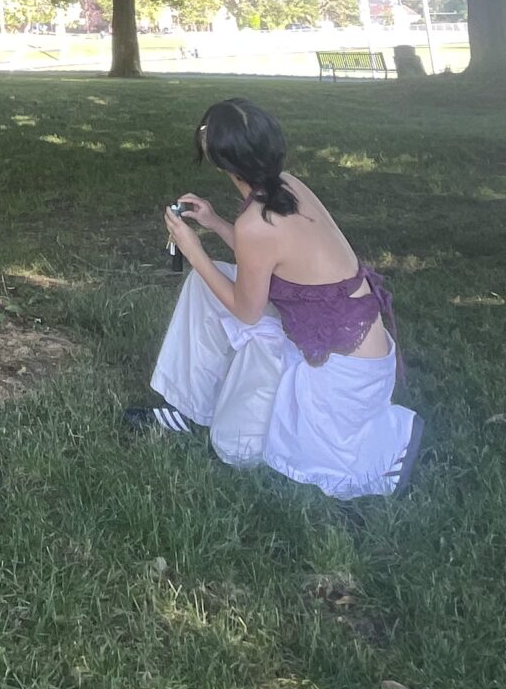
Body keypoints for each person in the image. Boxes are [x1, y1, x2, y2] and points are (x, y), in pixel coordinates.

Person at [128, 99, 421, 499]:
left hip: (341, 381)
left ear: (222, 163)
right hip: (352, 352)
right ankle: (186, 408)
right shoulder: (288, 185)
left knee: (235, 441)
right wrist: (213, 222)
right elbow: (269, 262)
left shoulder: (257, 223)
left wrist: (192, 249)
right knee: (203, 289)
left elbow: (246, 310)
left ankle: (355, 453)